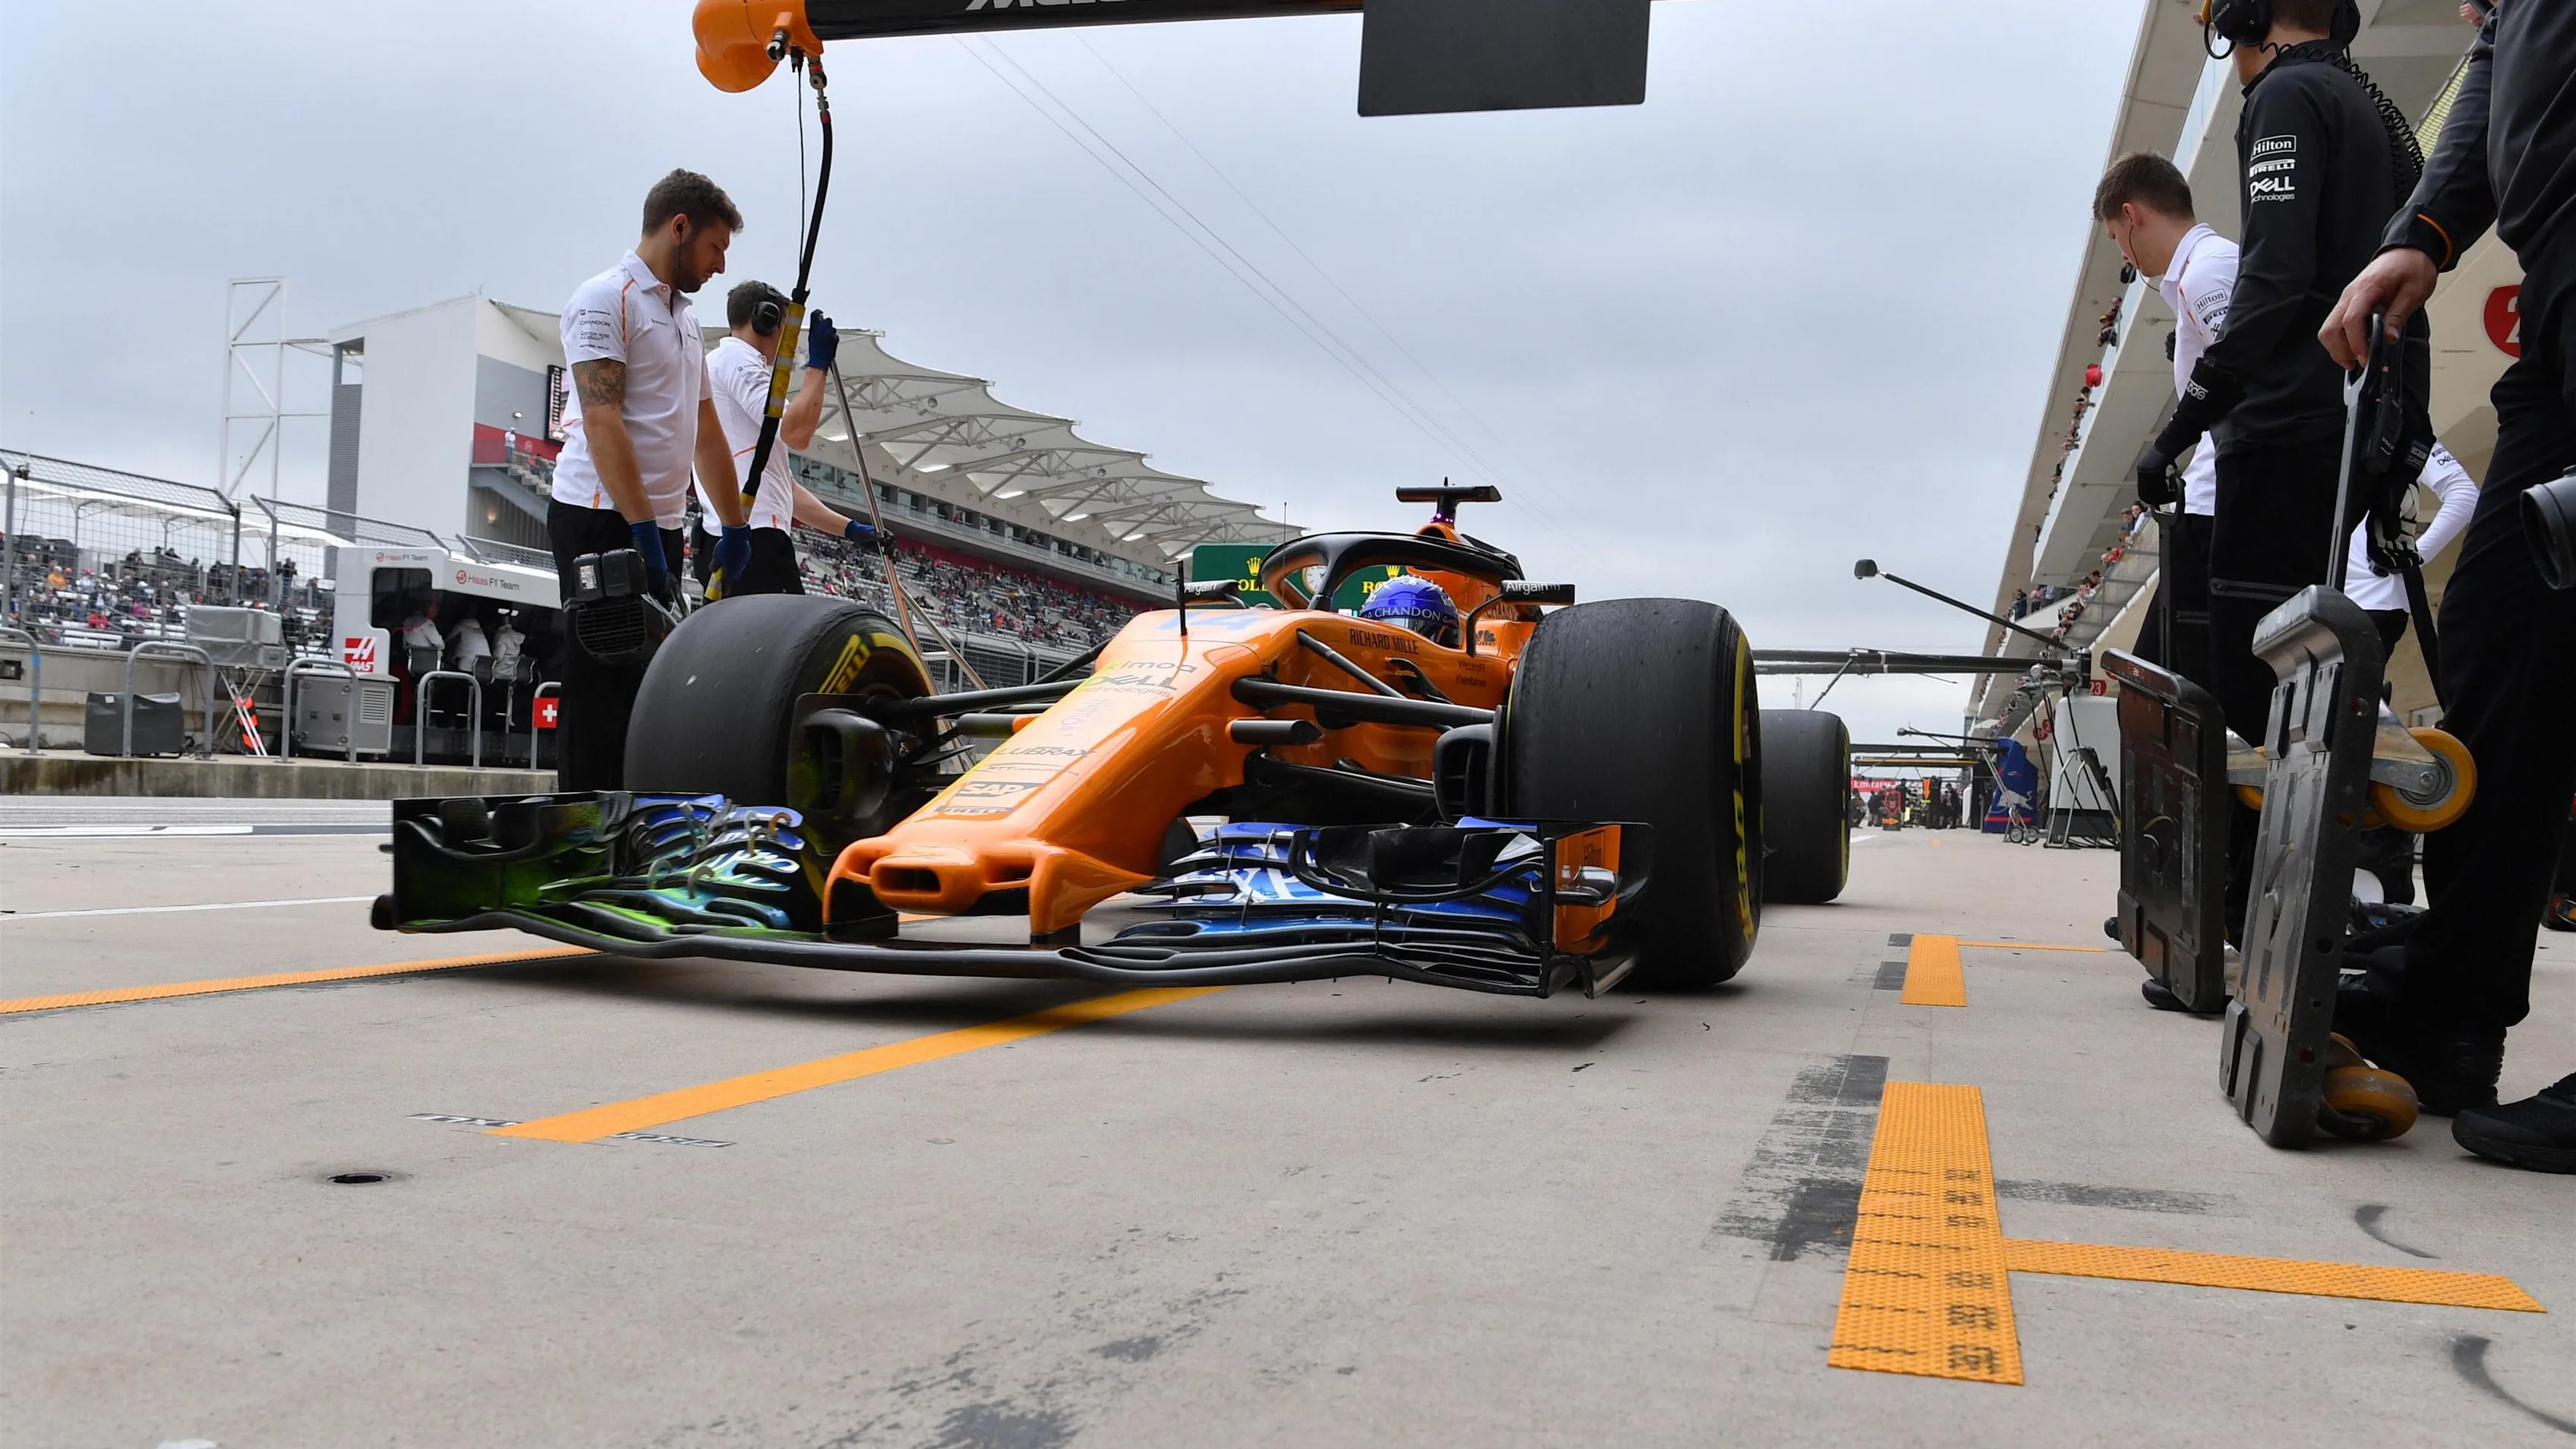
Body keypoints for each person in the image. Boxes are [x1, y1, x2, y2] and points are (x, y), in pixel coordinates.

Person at [2321, 0, 2576, 1166]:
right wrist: (2423, 228)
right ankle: (2455, 1012)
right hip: (2559, 327)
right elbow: (2492, 74)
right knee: (2499, 665)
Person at [2132, 0, 2423, 933]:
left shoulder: (2284, 94)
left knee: (2247, 694)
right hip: (2354, 422)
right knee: (2307, 679)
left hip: (2285, 431)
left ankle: (2237, 917)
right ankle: (2302, 903)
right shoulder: (2368, 102)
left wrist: (2178, 428)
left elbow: (2272, 282)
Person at [547, 169, 753, 789]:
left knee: (647, 689)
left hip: (657, 524)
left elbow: (707, 432)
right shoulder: (603, 299)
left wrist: (735, 528)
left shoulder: (686, 323)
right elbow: (603, 420)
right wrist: (638, 526)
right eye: (716, 247)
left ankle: (635, 824)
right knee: (600, 681)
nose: (720, 266)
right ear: (679, 227)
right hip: (599, 515)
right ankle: (586, 830)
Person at [2099, 151, 2233, 687]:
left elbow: (2240, 372)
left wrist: (2167, 444)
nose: (2123, 253)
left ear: (2132, 217)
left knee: (2159, 681)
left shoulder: (2207, 272)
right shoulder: (2207, 272)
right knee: (2162, 676)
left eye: (2115, 236)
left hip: (2215, 502)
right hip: (2213, 495)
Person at [690, 279, 887, 596]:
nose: (788, 342)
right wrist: (817, 367)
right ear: (765, 320)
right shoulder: (737, 361)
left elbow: (783, 490)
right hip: (756, 539)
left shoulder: (723, 365)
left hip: (746, 534)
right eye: (787, 328)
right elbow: (796, 434)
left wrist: (849, 529)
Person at [2343, 440, 2478, 655]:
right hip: (2321, 602)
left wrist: (2407, 558)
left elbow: (2464, 495)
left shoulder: (2401, 427)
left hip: (2371, 601)